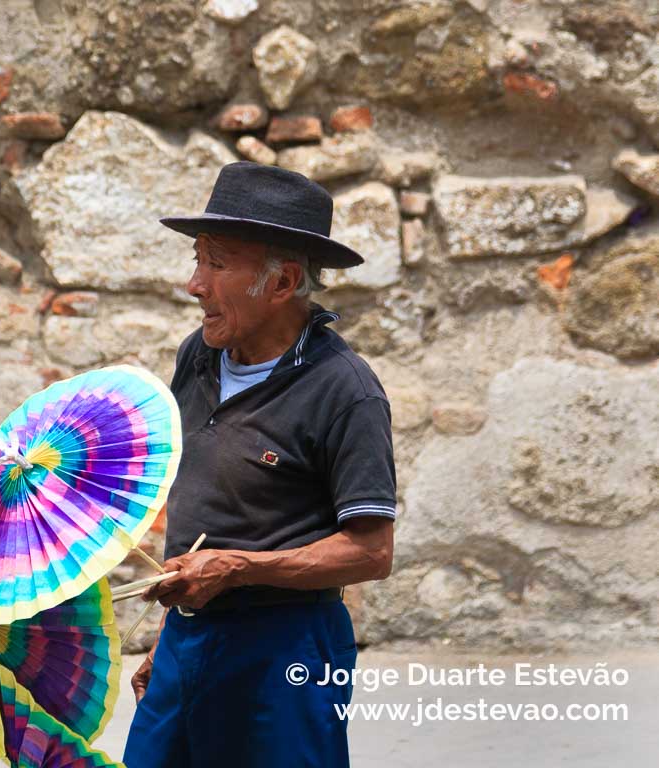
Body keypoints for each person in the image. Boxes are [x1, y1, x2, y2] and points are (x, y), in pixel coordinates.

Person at [123, 162, 397, 768]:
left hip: (288, 649)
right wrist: (172, 634)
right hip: (189, 640)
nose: (195, 284)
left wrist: (239, 568)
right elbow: (207, 505)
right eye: (198, 259)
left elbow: (372, 553)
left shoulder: (345, 390)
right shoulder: (197, 355)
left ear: (282, 283)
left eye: (217, 263)